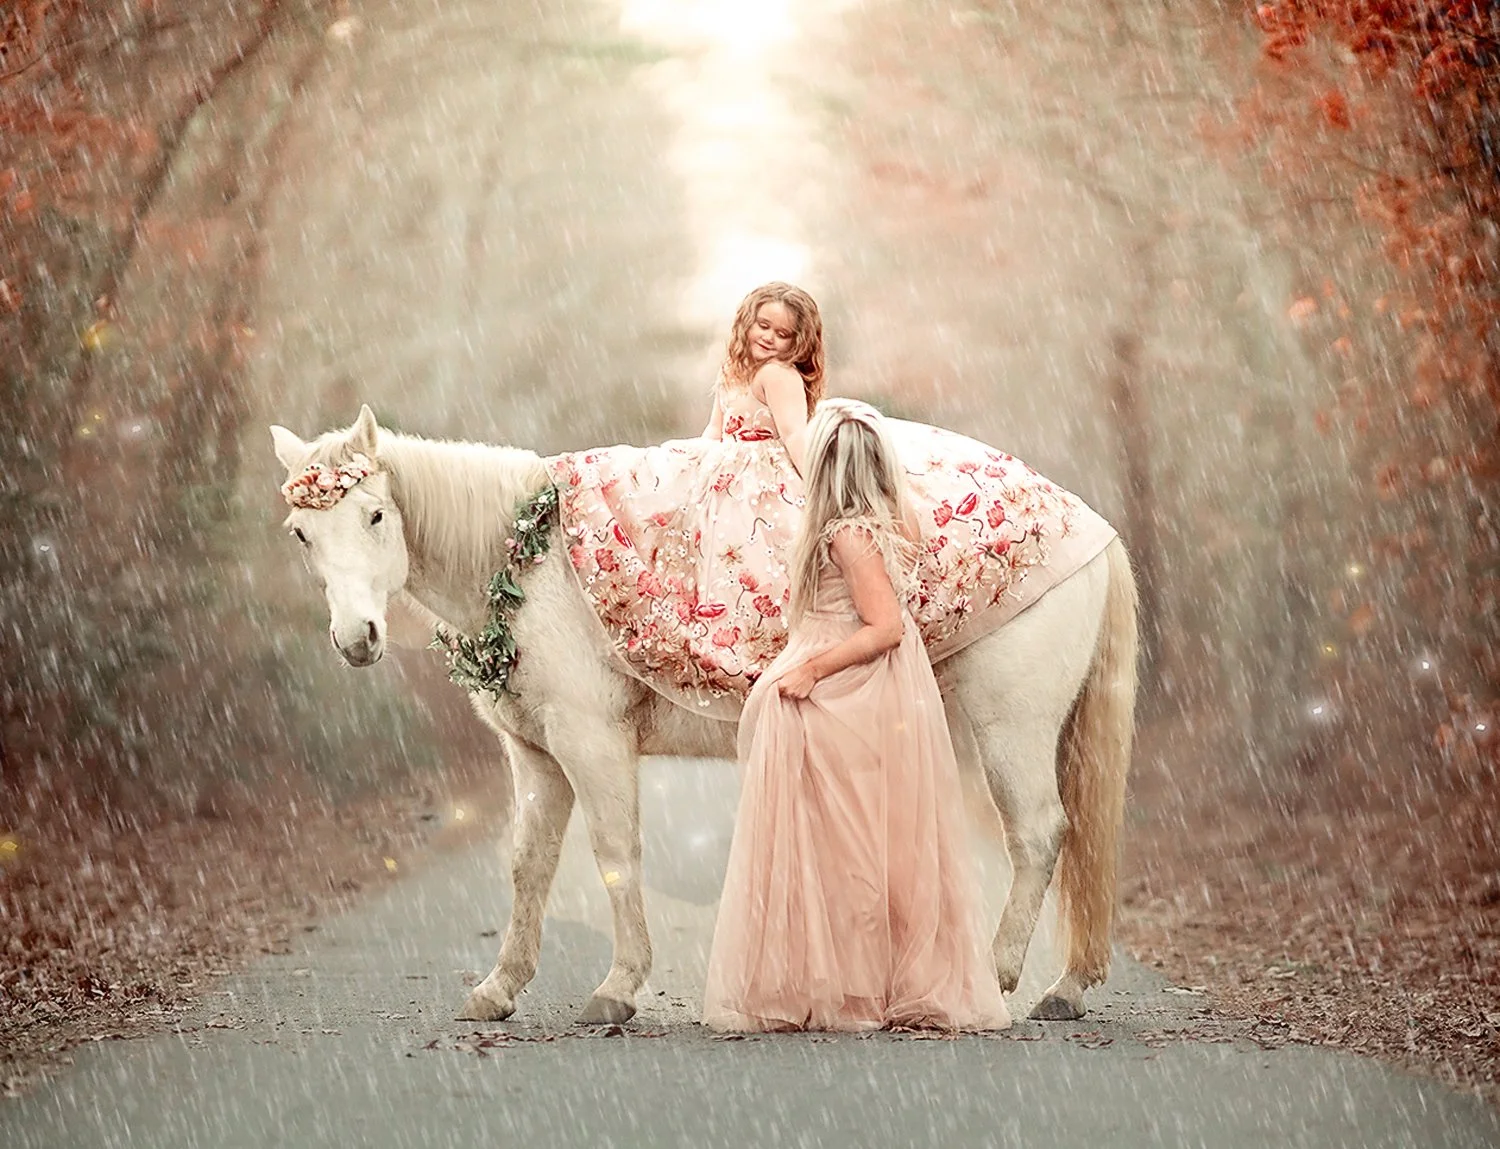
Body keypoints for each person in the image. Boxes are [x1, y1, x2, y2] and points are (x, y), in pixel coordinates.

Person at [701, 400, 1011, 1033]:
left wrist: (813, 670)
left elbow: (887, 627)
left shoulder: (848, 533)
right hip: (850, 676)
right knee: (850, 834)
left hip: (851, 684)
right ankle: (836, 974)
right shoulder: (870, 525)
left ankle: (853, 984)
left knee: (847, 837)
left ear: (827, 468)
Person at [550, 283, 825, 715]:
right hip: (725, 481)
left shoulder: (778, 375)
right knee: (685, 528)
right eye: (763, 325)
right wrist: (684, 468)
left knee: (758, 564)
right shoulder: (733, 373)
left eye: (783, 334)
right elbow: (713, 433)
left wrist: (820, 486)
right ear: (747, 322)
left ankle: (761, 651)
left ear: (798, 342)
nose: (769, 338)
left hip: (763, 488)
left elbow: (793, 434)